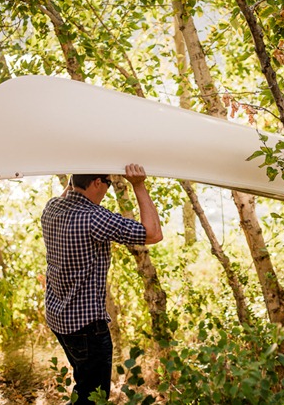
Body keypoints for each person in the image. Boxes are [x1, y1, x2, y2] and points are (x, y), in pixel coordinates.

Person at [41, 164, 163, 404]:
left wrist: (81, 164)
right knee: (94, 397)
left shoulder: (51, 208)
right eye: (107, 182)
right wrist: (138, 185)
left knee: (84, 384)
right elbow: (153, 233)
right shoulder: (94, 217)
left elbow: (72, 189)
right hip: (87, 328)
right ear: (97, 182)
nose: (107, 189)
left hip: (59, 319)